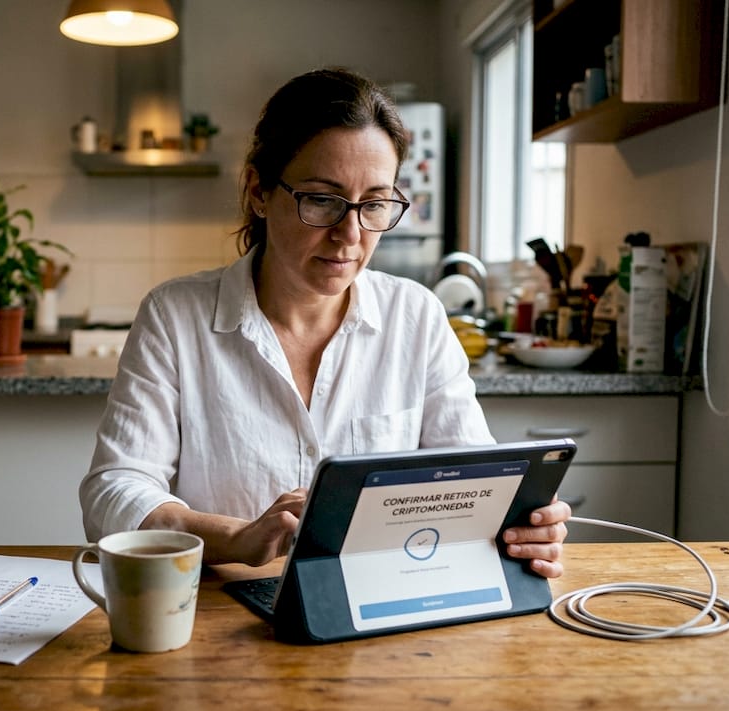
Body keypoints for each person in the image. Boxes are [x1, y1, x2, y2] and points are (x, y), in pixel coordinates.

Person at [79, 68, 570, 575]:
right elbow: (113, 491)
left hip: (377, 608)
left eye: (374, 204)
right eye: (322, 200)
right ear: (258, 191)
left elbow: (473, 482)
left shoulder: (416, 316)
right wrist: (237, 537)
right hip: (217, 611)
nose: (350, 235)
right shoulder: (175, 317)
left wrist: (521, 523)